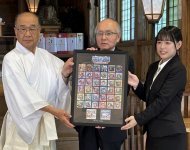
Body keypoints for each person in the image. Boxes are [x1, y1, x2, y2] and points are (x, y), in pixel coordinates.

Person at [0, 12, 74, 149]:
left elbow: (61, 83)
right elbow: (22, 93)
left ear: (39, 31)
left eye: (32, 28)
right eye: (22, 29)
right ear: (16, 31)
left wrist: (64, 75)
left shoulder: (48, 58)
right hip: (20, 123)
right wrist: (54, 110)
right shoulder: (11, 59)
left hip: (45, 121)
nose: (27, 33)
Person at [121, 26, 187, 150]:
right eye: (159, 42)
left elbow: (162, 101)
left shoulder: (178, 69)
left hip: (170, 134)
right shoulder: (154, 67)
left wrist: (138, 118)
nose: (162, 47)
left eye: (167, 43)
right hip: (154, 131)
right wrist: (137, 85)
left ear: (178, 44)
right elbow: (149, 97)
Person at [75, 18, 134, 150]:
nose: (103, 37)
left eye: (108, 33)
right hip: (87, 122)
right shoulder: (87, 56)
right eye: (100, 33)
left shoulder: (125, 59)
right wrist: (87, 60)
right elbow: (80, 88)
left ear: (117, 37)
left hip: (111, 122)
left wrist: (101, 116)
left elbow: (120, 92)